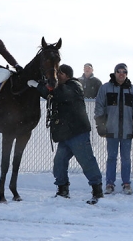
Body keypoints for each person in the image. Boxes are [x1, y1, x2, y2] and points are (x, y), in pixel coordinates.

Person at [29, 64, 104, 204]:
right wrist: (40, 84)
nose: (57, 75)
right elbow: (50, 93)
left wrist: (38, 86)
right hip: (65, 134)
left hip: (77, 132)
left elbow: (58, 94)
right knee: (59, 162)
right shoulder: (60, 86)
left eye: (60, 73)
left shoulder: (75, 86)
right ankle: (62, 190)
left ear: (68, 75)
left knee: (87, 161)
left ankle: (97, 191)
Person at [94, 63, 133, 195]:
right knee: (111, 157)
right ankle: (110, 183)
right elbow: (99, 107)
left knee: (126, 158)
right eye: (119, 71)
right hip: (111, 129)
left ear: (126, 74)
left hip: (127, 130)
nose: (121, 74)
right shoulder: (105, 88)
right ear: (114, 73)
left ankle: (126, 183)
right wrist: (100, 125)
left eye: (124, 72)